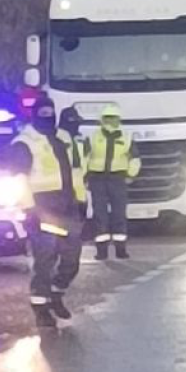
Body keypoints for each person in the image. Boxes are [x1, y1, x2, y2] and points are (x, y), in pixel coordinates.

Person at [10, 96, 88, 328]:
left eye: (50, 112)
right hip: (41, 208)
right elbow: (19, 179)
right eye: (42, 113)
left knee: (72, 259)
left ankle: (56, 293)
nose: (47, 116)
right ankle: (41, 307)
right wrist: (28, 209)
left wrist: (82, 201)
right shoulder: (24, 142)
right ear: (33, 114)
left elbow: (76, 172)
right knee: (44, 259)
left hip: (67, 206)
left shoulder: (64, 138)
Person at [86, 104, 140, 260]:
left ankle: (120, 250)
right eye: (107, 118)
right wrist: (84, 178)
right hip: (98, 178)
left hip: (117, 179)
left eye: (113, 118)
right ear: (101, 120)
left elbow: (135, 158)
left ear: (119, 119)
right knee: (99, 215)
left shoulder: (126, 137)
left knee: (119, 214)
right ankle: (101, 251)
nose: (110, 121)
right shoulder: (93, 137)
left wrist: (131, 174)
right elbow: (84, 158)